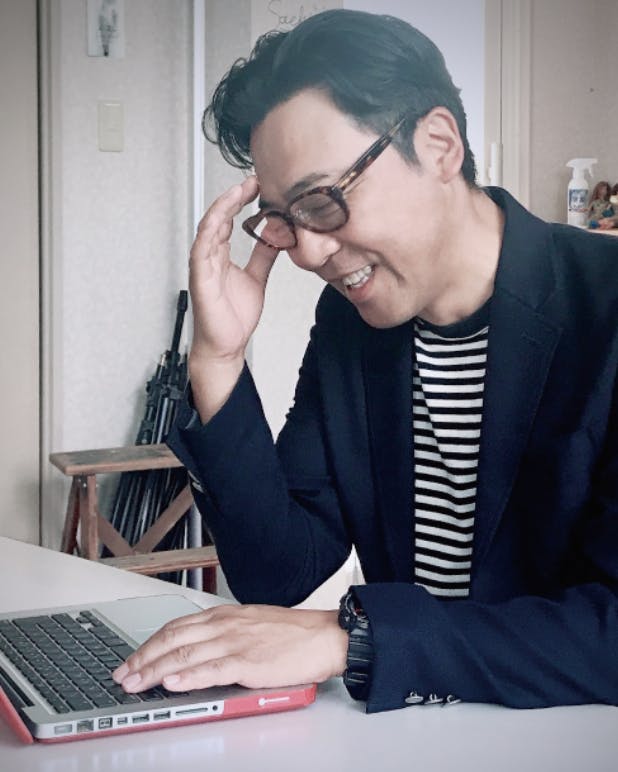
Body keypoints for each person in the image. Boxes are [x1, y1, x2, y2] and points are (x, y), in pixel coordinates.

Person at [112, 9, 618, 713]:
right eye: (285, 219)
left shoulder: (604, 305)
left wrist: (353, 638)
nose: (310, 253)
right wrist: (219, 359)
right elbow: (280, 572)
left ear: (439, 146)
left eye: (323, 201)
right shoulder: (353, 327)